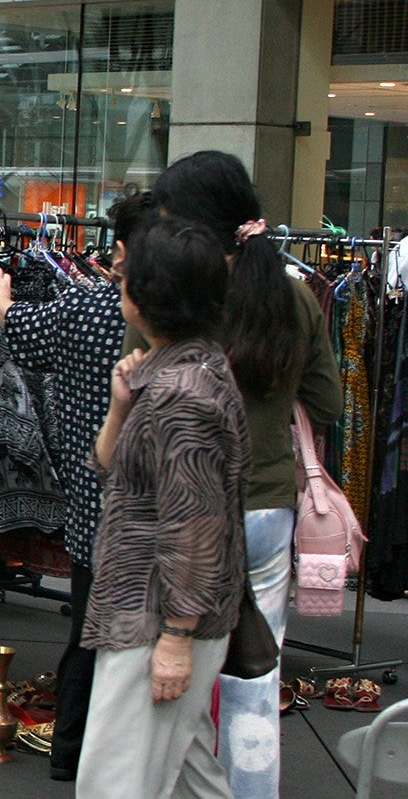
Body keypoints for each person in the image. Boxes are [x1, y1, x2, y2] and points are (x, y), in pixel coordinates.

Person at [136, 150, 343, 799]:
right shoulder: (292, 298)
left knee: (171, 687)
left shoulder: (178, 295)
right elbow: (331, 404)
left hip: (185, 513)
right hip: (267, 511)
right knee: (253, 687)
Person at [0, 189, 154, 781]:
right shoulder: (188, 323)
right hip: (164, 513)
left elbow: (21, 330)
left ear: (122, 251)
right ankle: (122, 758)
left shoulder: (86, 309)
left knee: (86, 633)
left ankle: (70, 751)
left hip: (93, 499)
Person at [76, 215, 250, 799]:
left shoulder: (182, 393)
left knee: (114, 783)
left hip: (153, 614)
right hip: (152, 608)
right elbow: (110, 469)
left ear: (144, 299)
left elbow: (195, 526)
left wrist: (176, 638)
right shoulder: (182, 372)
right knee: (192, 777)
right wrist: (121, 408)